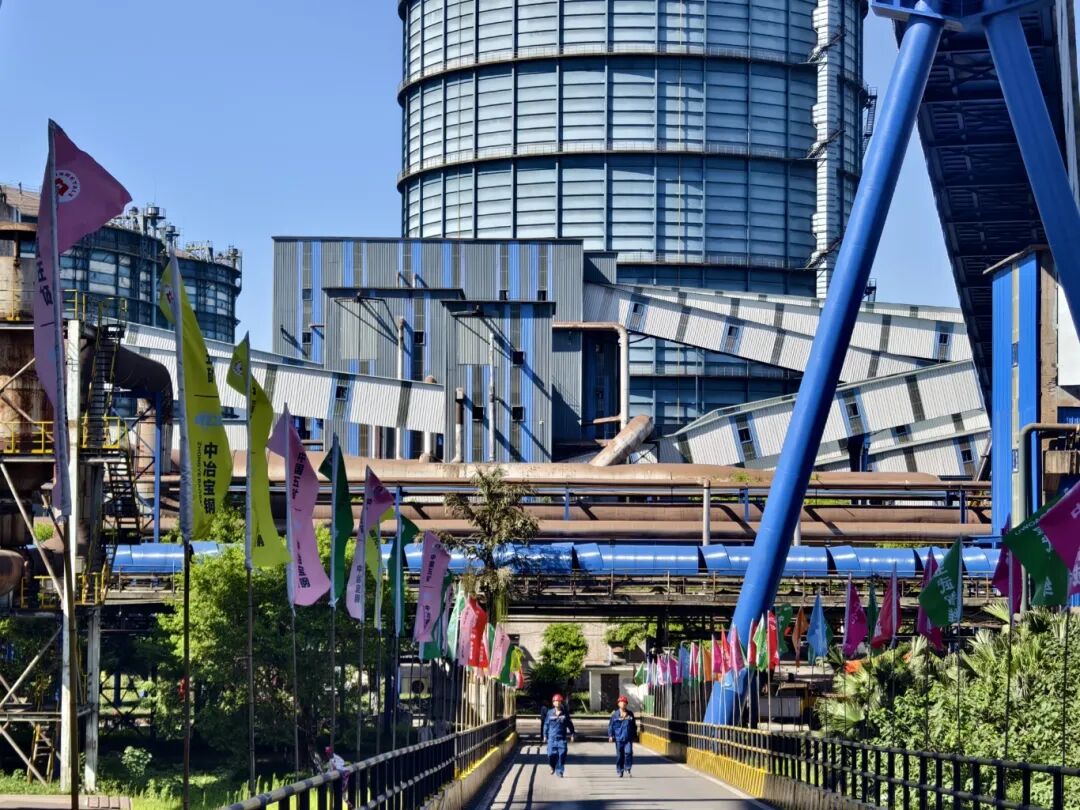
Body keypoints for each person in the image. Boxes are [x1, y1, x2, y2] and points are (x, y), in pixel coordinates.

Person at [541, 693, 575, 777]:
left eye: (559, 701)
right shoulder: (549, 713)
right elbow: (546, 724)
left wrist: (572, 734)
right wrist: (545, 735)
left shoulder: (565, 713)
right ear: (553, 703)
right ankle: (552, 766)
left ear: (561, 702)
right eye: (556, 701)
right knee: (551, 755)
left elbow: (569, 724)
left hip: (562, 738)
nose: (557, 702)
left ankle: (559, 771)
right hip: (552, 738)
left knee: (562, 754)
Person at [607, 695, 637, 777]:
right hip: (619, 738)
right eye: (621, 702)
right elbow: (611, 726)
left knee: (629, 752)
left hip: (628, 738)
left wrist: (635, 735)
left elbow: (634, 726)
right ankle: (620, 770)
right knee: (620, 756)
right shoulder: (615, 715)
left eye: (624, 702)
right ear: (618, 704)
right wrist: (610, 736)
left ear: (626, 704)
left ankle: (627, 768)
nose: (623, 704)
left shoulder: (630, 714)